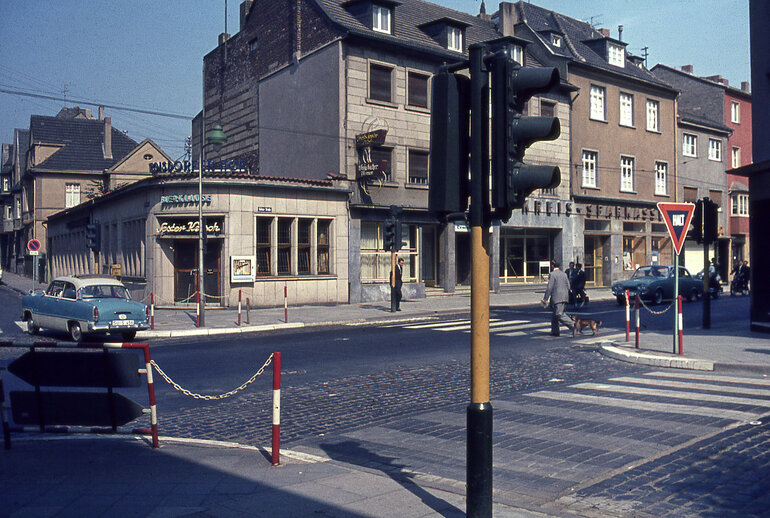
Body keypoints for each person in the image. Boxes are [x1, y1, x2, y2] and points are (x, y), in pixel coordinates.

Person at [541, 260, 574, 337]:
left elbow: (549, 287)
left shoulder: (552, 274)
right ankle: (555, 331)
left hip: (557, 297)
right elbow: (568, 286)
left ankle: (574, 326)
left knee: (559, 314)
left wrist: (545, 298)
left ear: (552, 266)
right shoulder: (564, 274)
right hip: (565, 296)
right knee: (554, 315)